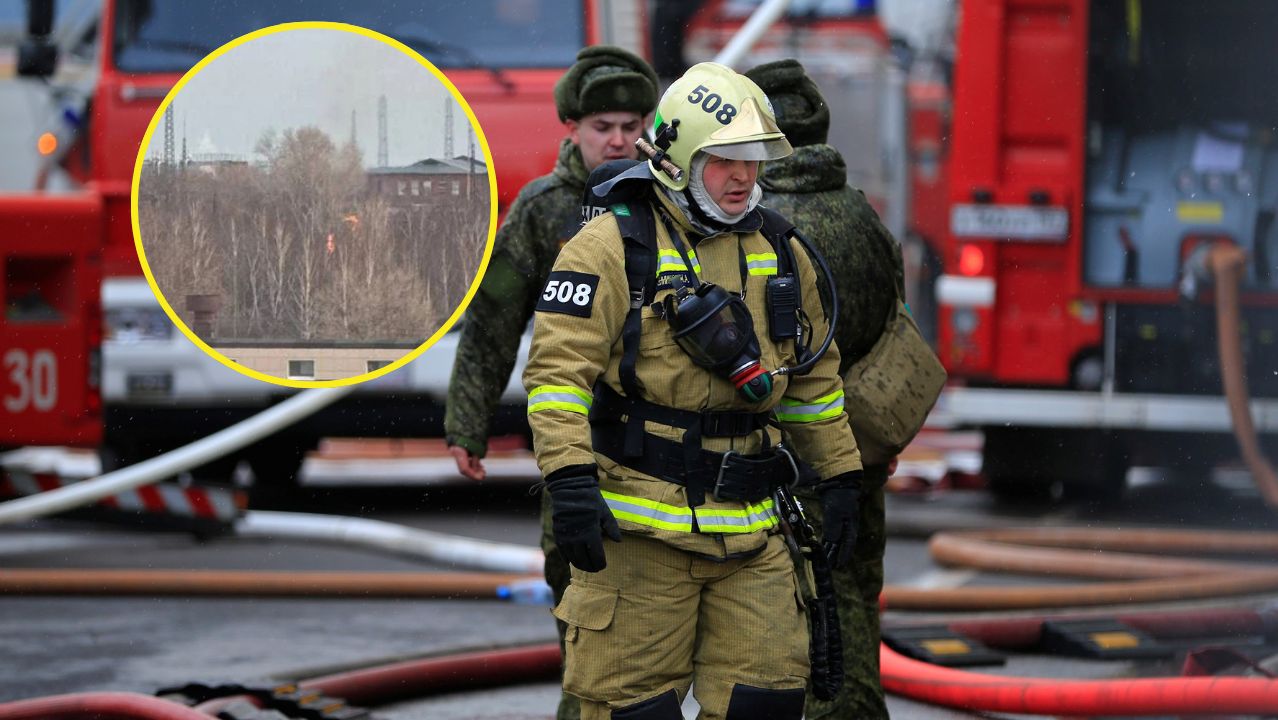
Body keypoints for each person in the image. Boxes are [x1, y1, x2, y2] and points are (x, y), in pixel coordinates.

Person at [523, 61, 865, 720]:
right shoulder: (609, 248)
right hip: (640, 537)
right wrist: (569, 479)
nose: (743, 177)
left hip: (756, 538)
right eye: (724, 159)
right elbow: (557, 374)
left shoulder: (784, 253)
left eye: (754, 160)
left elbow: (813, 382)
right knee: (631, 710)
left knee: (765, 705)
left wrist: (842, 476)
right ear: (678, 159)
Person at [444, 45, 658, 720]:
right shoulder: (544, 211)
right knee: (577, 586)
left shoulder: (672, 198)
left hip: (664, 438)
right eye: (603, 127)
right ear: (572, 128)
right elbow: (494, 317)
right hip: (577, 440)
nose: (620, 139)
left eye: (631, 124)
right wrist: (467, 423)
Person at [746, 59, 904, 719]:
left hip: (789, 453)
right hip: (866, 442)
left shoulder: (759, 227)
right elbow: (895, 324)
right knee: (858, 590)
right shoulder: (865, 217)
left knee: (802, 616)